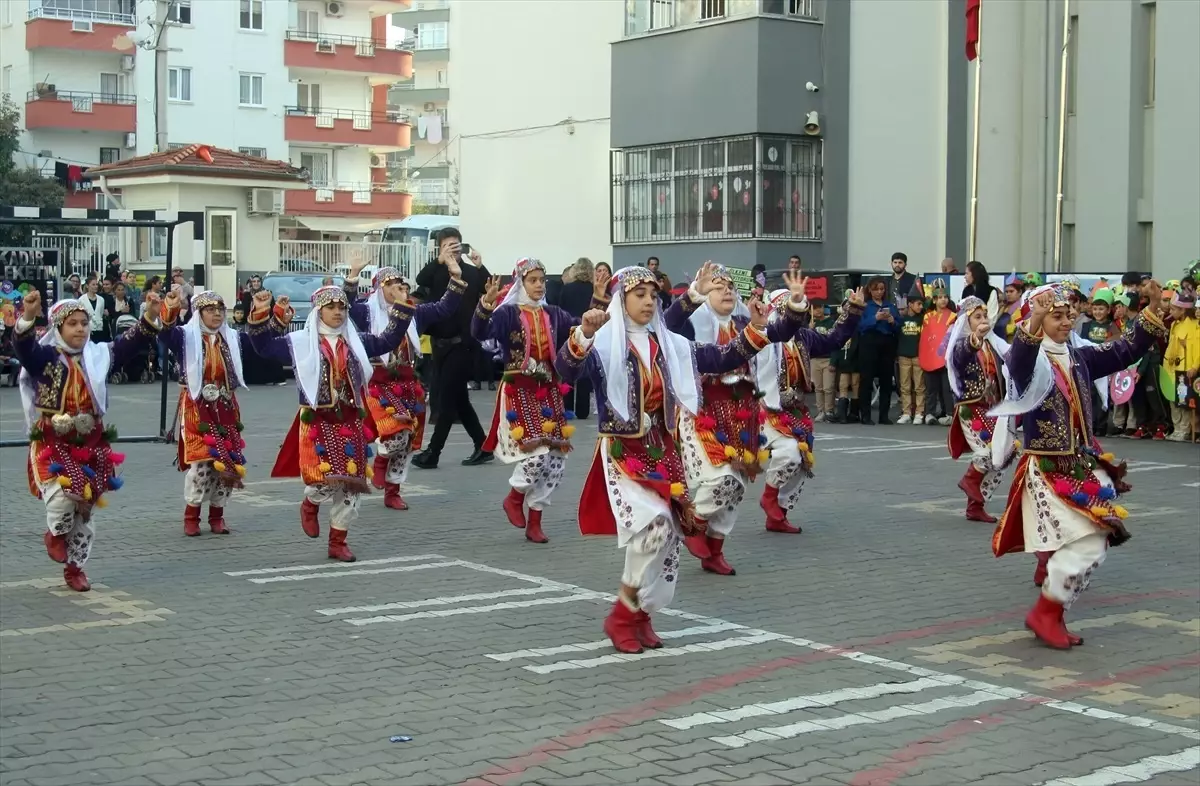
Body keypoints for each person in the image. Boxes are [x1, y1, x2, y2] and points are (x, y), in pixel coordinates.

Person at [555, 266, 775, 654]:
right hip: (623, 450)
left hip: (662, 449)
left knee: (669, 537)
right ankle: (621, 614)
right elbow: (566, 370)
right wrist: (584, 333)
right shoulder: (606, 343)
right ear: (621, 299)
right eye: (638, 295)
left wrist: (756, 330)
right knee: (654, 528)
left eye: (652, 296)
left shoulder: (669, 344)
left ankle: (641, 615)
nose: (647, 302)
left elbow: (721, 357)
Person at [990, 281, 1167, 649]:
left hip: (1080, 463)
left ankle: (1052, 612)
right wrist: (1035, 317)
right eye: (1057, 315)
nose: (1067, 322)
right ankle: (1046, 611)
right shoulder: (1032, 364)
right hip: (1048, 467)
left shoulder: (1079, 356)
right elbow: (1016, 361)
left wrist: (1151, 308)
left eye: (1070, 314)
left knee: (1094, 541)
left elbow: (1123, 350)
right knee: (1087, 543)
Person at [14, 289, 169, 591]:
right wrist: (29, 317)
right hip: (52, 442)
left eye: (84, 323)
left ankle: (75, 570)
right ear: (58, 328)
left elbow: (130, 344)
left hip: (91, 443)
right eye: (72, 324)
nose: (81, 329)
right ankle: (55, 535)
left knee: (85, 512)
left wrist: (150, 314)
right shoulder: (44, 358)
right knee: (61, 498)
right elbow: (23, 348)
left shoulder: (97, 357)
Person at [247, 284, 415, 562]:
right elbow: (263, 348)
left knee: (351, 484)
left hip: (350, 420)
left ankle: (338, 541)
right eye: (330, 307)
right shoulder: (301, 342)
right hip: (318, 419)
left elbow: (387, 340)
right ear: (319, 310)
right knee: (324, 479)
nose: (337, 312)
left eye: (342, 307)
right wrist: (264, 311)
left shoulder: (356, 341)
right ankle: (310, 503)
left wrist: (402, 306)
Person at [662, 263, 807, 575]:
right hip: (699, 412)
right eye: (718, 286)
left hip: (741, 416)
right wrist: (692, 296)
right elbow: (666, 325)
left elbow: (780, 331)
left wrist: (795, 304)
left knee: (736, 488)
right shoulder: (693, 323)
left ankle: (715, 552)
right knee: (721, 479)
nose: (726, 290)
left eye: (730, 285)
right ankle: (694, 524)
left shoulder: (745, 319)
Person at [475, 259, 611, 543]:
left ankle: (535, 519)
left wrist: (598, 298)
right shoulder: (508, 314)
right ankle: (514, 497)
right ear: (520, 283)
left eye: (541, 280)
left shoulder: (554, 314)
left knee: (557, 460)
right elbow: (480, 333)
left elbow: (583, 326)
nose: (539, 285)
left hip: (549, 390)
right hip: (519, 388)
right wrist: (486, 305)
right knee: (536, 455)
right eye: (533, 280)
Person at [351, 265, 466, 510]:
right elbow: (347, 306)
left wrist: (455, 277)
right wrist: (352, 277)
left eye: (402, 285)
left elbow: (444, 307)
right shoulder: (368, 312)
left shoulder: (415, 314)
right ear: (380, 289)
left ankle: (393, 490)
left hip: (406, 382)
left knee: (407, 440)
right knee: (395, 432)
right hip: (378, 383)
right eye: (393, 285)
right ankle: (381, 462)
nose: (400, 289)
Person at [759, 282, 866, 533]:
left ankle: (779, 513)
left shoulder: (804, 337)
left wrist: (852, 312)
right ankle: (769, 496)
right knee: (789, 453)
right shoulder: (761, 336)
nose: (795, 315)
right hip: (765, 408)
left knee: (802, 461)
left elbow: (833, 340)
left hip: (795, 408)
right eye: (788, 309)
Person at [162, 291, 247, 536]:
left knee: (226, 462)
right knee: (201, 463)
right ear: (198, 313)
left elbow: (259, 345)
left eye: (220, 309)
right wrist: (170, 307)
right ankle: (192, 515)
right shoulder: (185, 337)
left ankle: (217, 516)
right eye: (210, 310)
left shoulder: (230, 339)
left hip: (226, 405)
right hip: (196, 406)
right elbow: (166, 333)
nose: (217, 314)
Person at [411, 228, 493, 469]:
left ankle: (433, 452)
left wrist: (480, 266)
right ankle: (483, 445)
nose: (454, 250)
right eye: (448, 246)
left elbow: (488, 288)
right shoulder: (437, 271)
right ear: (440, 248)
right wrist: (439, 261)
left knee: (447, 400)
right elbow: (420, 280)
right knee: (460, 400)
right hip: (439, 345)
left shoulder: (469, 272)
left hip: (463, 345)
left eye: (457, 245)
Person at [947, 296, 1015, 523]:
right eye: (977, 317)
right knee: (987, 451)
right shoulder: (961, 342)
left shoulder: (992, 343)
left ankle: (976, 505)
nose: (983, 320)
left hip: (991, 407)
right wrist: (975, 337)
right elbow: (960, 357)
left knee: (1004, 455)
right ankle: (970, 480)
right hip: (971, 407)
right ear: (966, 322)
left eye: (985, 315)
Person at [556, 258, 599, 419]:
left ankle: (567, 407)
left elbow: (560, 310)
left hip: (570, 331)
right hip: (588, 330)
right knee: (585, 370)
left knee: (569, 368)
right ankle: (583, 409)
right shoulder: (593, 290)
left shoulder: (567, 289)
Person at [856, 276, 901, 425]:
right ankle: (865, 415)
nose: (879, 292)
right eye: (876, 289)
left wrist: (892, 321)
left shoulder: (890, 305)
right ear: (870, 290)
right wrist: (875, 318)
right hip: (869, 341)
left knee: (887, 380)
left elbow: (898, 325)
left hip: (887, 342)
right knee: (866, 379)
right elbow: (860, 326)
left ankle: (884, 415)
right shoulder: (865, 306)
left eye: (882, 289)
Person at [1163, 292, 1199, 442]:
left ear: (1183, 310)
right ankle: (1176, 427)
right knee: (1172, 398)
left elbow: (1196, 348)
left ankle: (1184, 429)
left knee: (1183, 399)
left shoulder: (1194, 325)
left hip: (1185, 366)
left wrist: (1194, 366)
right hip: (1171, 365)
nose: (1170, 312)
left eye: (1174, 309)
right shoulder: (1174, 325)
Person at [921, 282, 956, 425]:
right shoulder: (928, 317)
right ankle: (929, 413)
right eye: (940, 297)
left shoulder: (953, 316)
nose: (943, 300)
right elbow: (925, 337)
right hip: (930, 357)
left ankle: (948, 413)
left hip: (945, 357)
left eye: (945, 297)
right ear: (934, 300)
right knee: (931, 388)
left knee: (946, 388)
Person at [829, 293, 861, 423]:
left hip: (856, 357)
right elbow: (834, 343)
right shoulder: (839, 322)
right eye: (846, 305)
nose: (848, 308)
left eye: (850, 305)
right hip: (843, 357)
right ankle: (841, 414)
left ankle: (854, 413)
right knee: (842, 385)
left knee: (855, 385)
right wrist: (833, 361)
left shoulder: (858, 320)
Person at [896, 297, 925, 424]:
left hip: (918, 356)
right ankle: (906, 412)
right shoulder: (901, 319)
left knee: (919, 386)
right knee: (905, 386)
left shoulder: (923, 319)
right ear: (910, 304)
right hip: (903, 356)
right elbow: (895, 336)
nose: (920, 307)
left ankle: (919, 412)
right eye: (918, 304)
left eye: (922, 304)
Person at [808, 300, 837, 422]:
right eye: (815, 308)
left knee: (828, 387)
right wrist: (810, 330)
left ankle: (829, 410)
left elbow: (835, 342)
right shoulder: (809, 325)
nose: (818, 310)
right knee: (818, 387)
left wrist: (834, 361)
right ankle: (821, 411)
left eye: (820, 307)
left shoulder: (831, 322)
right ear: (810, 311)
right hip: (815, 359)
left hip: (828, 358)